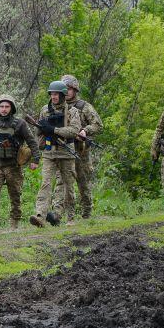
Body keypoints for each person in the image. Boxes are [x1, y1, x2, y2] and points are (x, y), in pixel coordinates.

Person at [0, 94, 40, 236]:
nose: (4, 109)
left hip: (13, 166)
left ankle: (14, 222)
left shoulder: (20, 124)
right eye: (2, 106)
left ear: (11, 108)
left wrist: (36, 159)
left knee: (15, 195)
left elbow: (31, 141)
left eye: (7, 106)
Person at [29, 81, 81, 228]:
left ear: (63, 95)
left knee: (68, 185)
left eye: (56, 94)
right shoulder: (45, 110)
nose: (54, 96)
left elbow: (74, 131)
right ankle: (40, 216)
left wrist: (53, 130)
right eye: (52, 93)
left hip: (66, 153)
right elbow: (38, 131)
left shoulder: (72, 111)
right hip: (49, 152)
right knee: (45, 183)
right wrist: (42, 131)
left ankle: (71, 217)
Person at [53, 75, 103, 220]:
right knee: (61, 181)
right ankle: (57, 214)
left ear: (75, 90)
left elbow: (98, 125)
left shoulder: (84, 106)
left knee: (83, 181)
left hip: (80, 150)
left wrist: (85, 130)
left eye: (69, 89)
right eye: (64, 89)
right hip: (62, 149)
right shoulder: (55, 107)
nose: (66, 91)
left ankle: (86, 213)